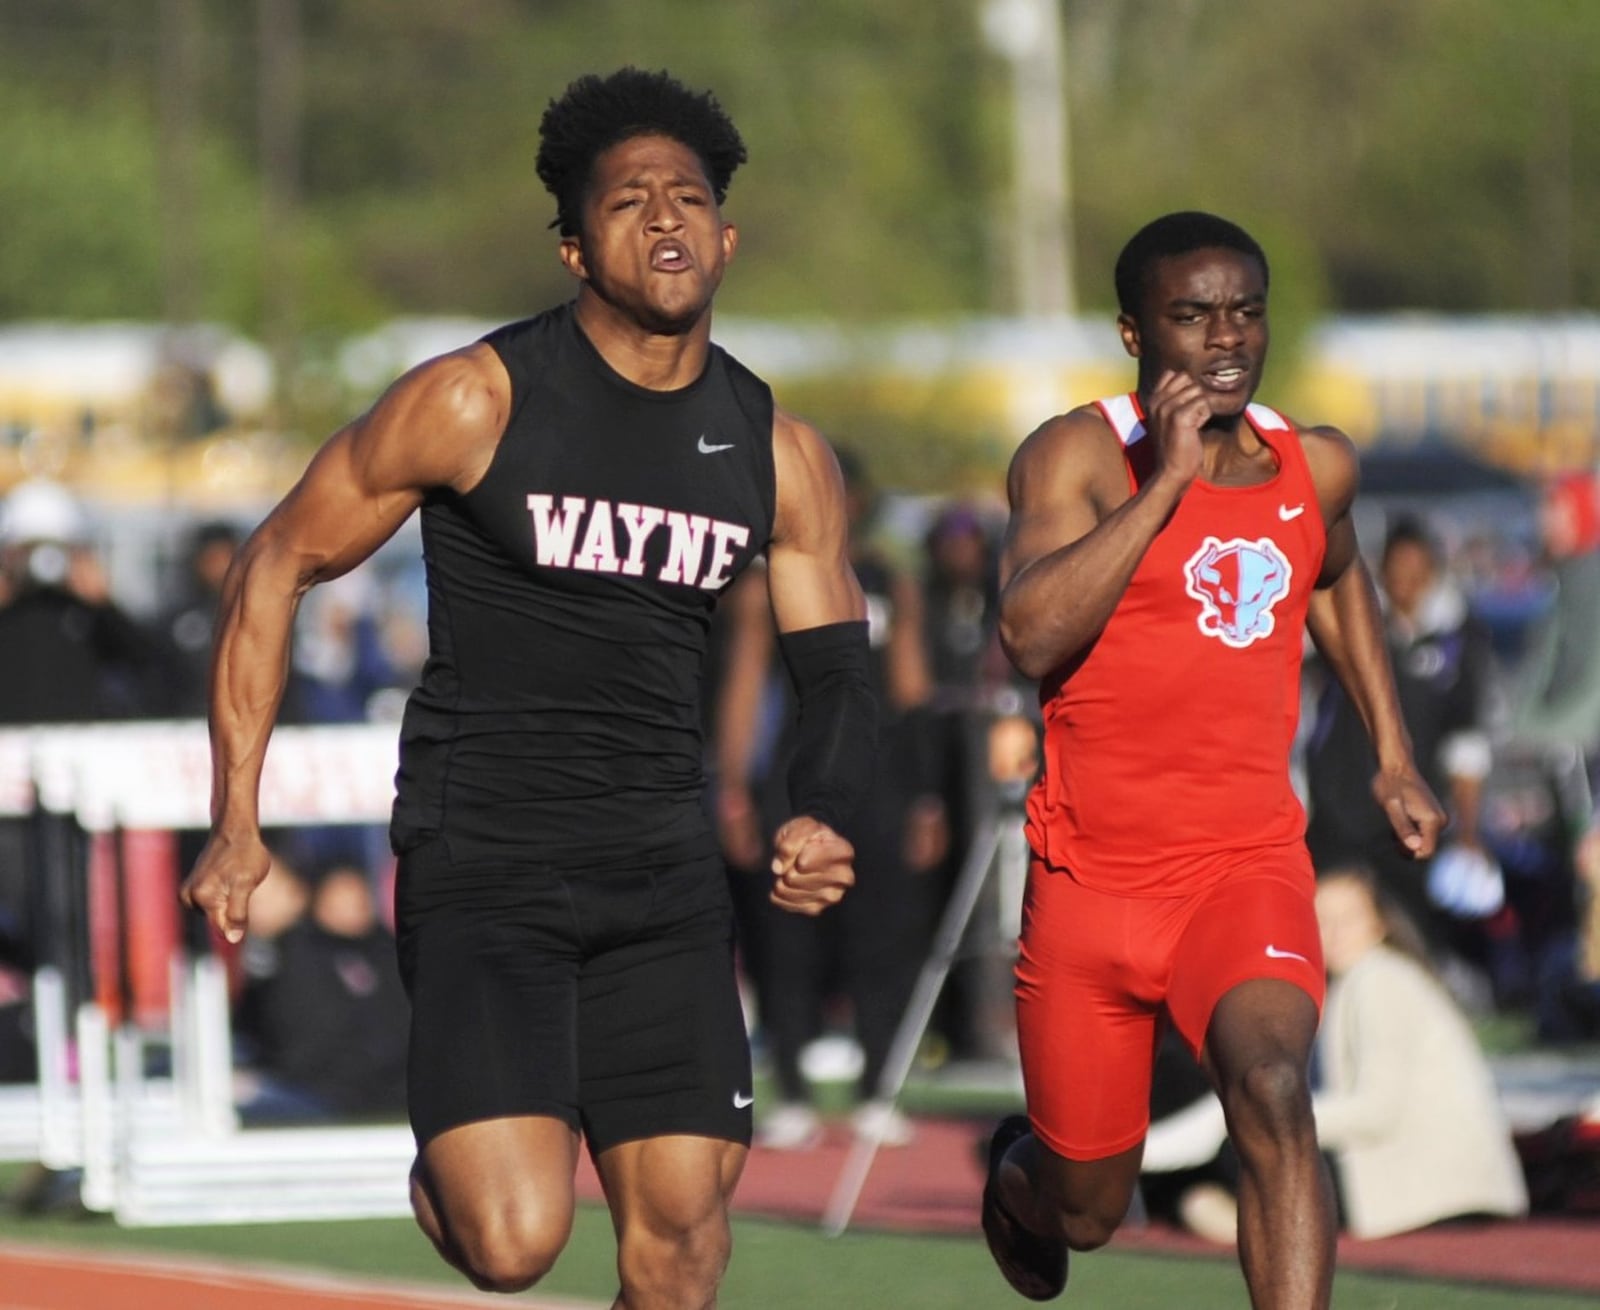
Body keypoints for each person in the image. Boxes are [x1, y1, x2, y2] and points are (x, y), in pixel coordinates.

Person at [181, 67, 875, 1308]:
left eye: (687, 198)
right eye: (626, 202)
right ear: (571, 245)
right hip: (487, 860)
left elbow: (832, 667)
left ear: (726, 235)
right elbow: (275, 562)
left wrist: (820, 807)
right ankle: (454, 1157)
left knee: (683, 1249)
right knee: (512, 1242)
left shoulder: (778, 450)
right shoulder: (475, 398)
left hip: (662, 875)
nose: (663, 220)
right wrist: (237, 815)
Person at [978, 211, 1447, 1307]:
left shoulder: (1310, 461)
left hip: (1241, 867)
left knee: (1275, 1087)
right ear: (1134, 332)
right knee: (1089, 1208)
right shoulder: (1074, 454)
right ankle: (1022, 1179)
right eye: (1191, 316)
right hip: (1090, 887)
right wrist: (1164, 488)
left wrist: (1391, 750)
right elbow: (1027, 633)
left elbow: (1335, 576)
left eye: (1244, 312)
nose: (1224, 339)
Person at [715, 448, 944, 1150]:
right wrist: (731, 789)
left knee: (883, 938)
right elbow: (747, 690)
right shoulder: (764, 585)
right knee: (786, 938)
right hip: (792, 777)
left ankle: (879, 1088)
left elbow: (911, 689)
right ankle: (790, 1091)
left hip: (879, 779)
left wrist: (927, 794)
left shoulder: (887, 579)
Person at [1304, 513, 1502, 980]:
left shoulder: (1460, 642)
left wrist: (1469, 832)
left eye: (1418, 573)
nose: (1407, 585)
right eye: (1397, 572)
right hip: (1341, 803)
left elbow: (1467, 744)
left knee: (1408, 935)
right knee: (1327, 926)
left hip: (1407, 815)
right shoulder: (1353, 627)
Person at [1311, 864, 1528, 1238]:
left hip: (1431, 1191)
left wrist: (1258, 1117)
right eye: (1321, 921)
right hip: (1443, 1185)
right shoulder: (1364, 980)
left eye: (1348, 919)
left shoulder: (1378, 980)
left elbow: (1376, 1110)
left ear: (1380, 923)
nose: (1333, 934)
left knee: (1239, 1157)